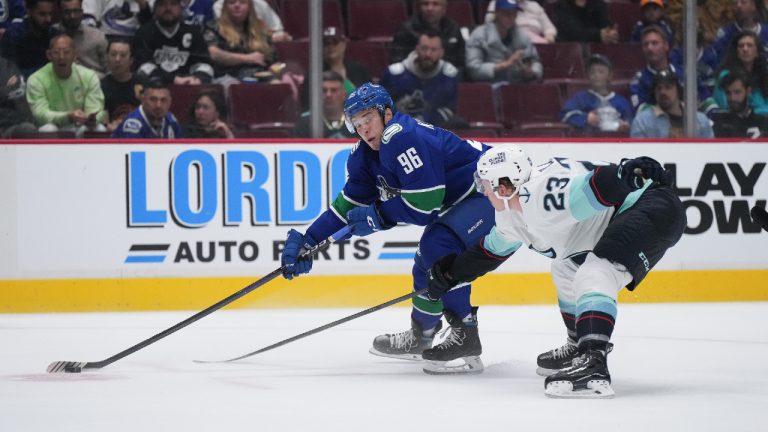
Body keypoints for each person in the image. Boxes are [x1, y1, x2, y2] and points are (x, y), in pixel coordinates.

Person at [425, 145, 686, 398]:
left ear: (502, 187)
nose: (483, 192)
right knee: (565, 267)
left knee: (594, 272)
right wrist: (451, 275)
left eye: (484, 185)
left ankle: (592, 360)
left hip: (652, 207)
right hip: (626, 213)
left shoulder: (539, 196)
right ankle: (578, 345)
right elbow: (490, 252)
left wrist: (624, 174)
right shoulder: (510, 213)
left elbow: (595, 188)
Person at [280, 83, 496, 375]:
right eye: (356, 123)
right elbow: (344, 208)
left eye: (368, 117)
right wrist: (308, 240)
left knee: (438, 245)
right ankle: (422, 337)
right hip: (463, 200)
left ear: (387, 113)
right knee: (426, 262)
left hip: (494, 192)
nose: (363, 128)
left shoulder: (402, 136)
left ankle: (465, 336)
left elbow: (424, 207)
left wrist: (377, 216)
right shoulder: (364, 156)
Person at [26, 33, 107, 136]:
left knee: (99, 128)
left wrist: (89, 117)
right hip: (52, 126)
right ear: (49, 55)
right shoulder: (36, 79)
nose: (61, 57)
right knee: (48, 129)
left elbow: (97, 109)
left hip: (79, 125)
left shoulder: (89, 76)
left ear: (75, 55)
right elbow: (40, 114)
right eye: (56, 52)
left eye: (67, 52)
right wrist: (67, 117)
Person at [379, 30, 460, 129]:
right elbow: (380, 107)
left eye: (433, 50)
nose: (428, 54)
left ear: (441, 53)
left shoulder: (448, 76)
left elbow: (449, 110)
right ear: (417, 49)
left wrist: (425, 120)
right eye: (424, 48)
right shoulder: (394, 74)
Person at [133, 0, 214, 85]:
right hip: (154, 89)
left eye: (173, 4)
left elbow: (205, 65)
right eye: (162, 4)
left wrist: (197, 79)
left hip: (187, 87)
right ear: (155, 8)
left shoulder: (193, 34)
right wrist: (173, 79)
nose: (168, 8)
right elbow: (142, 68)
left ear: (180, 8)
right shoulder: (144, 33)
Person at [466, 0, 543, 85]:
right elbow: (473, 69)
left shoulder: (522, 36)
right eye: (507, 14)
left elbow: (536, 62)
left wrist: (531, 73)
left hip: (517, 87)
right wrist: (504, 65)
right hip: (489, 88)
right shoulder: (480, 35)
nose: (511, 18)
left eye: (514, 14)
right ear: (497, 13)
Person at [205, 0, 276, 84]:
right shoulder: (214, 27)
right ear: (225, 7)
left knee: (279, 84)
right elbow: (212, 53)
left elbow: (272, 57)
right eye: (232, 2)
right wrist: (246, 58)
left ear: (250, 6)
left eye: (243, 2)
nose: (237, 5)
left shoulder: (260, 28)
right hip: (228, 77)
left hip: (260, 75)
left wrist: (274, 68)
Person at [630, 69, 714, 138]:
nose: (662, 92)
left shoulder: (700, 120)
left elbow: (711, 153)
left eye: (668, 87)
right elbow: (638, 155)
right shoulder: (642, 122)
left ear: (678, 91)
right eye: (659, 88)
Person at [390, 0, 465, 76]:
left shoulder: (452, 27)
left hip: (447, 79)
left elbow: (461, 61)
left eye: (435, 4)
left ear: (444, 9)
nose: (429, 8)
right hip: (413, 80)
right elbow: (396, 61)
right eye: (425, 4)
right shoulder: (407, 29)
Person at [560, 54, 633, 133]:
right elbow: (565, 115)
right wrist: (585, 118)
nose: (596, 75)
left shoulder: (621, 101)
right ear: (588, 75)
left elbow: (630, 121)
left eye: (601, 71)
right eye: (592, 72)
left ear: (610, 75)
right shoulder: (580, 98)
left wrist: (625, 126)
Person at [712, 31, 768, 114]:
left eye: (750, 45)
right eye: (741, 46)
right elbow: (724, 106)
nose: (745, 49)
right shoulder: (725, 76)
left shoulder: (764, 75)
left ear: (757, 52)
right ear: (736, 52)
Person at [0, 0, 59, 78]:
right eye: (42, 14)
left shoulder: (54, 35)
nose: (48, 19)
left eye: (50, 14)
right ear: (29, 11)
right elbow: (10, 73)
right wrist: (48, 71)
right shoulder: (13, 35)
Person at [293, 70, 356, 139]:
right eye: (324, 90)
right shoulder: (305, 123)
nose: (328, 95)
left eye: (334, 90)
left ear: (344, 95)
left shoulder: (356, 121)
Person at [112, 78, 183, 138]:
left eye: (163, 100)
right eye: (153, 99)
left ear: (170, 102)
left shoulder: (171, 120)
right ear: (143, 100)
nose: (158, 105)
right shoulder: (132, 125)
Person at [54, 0, 108, 78]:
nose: (72, 16)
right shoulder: (52, 34)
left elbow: (109, 69)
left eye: (76, 11)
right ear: (60, 13)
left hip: (95, 81)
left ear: (82, 12)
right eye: (67, 12)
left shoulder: (97, 36)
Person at [101, 38, 143, 132]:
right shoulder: (101, 86)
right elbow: (104, 119)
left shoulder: (142, 83)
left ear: (131, 60)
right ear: (107, 57)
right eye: (113, 54)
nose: (117, 59)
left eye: (123, 55)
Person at [711, 71, 768, 137]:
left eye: (737, 92)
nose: (732, 98)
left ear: (748, 91)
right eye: (728, 93)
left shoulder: (763, 122)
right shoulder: (719, 121)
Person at [212, 0, 292, 42]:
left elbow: (277, 30)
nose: (237, 5)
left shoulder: (260, 4)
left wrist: (280, 36)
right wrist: (269, 39)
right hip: (233, 50)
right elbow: (229, 34)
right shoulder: (220, 5)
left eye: (243, 2)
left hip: (263, 49)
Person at [322, 26, 371, 94]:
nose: (330, 46)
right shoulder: (315, 74)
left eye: (335, 42)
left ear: (344, 45)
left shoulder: (360, 71)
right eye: (326, 43)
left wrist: (343, 80)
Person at [484, 0, 558, 44]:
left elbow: (549, 28)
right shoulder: (498, 2)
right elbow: (490, 24)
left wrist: (549, 37)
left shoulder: (534, 5)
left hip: (538, 45)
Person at [0, 56, 37, 137]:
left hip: (9, 124)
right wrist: (7, 90)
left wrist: (8, 91)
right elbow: (11, 90)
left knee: (28, 129)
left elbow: (17, 90)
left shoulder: (8, 66)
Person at [553, 0, 618, 43]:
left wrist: (610, 34)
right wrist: (598, 35)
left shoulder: (598, 3)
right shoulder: (561, 5)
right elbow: (573, 33)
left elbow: (605, 26)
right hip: (569, 52)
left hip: (597, 52)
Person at [82, 0, 152, 39]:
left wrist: (143, 4)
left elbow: (152, 28)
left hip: (136, 39)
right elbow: (88, 21)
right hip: (106, 37)